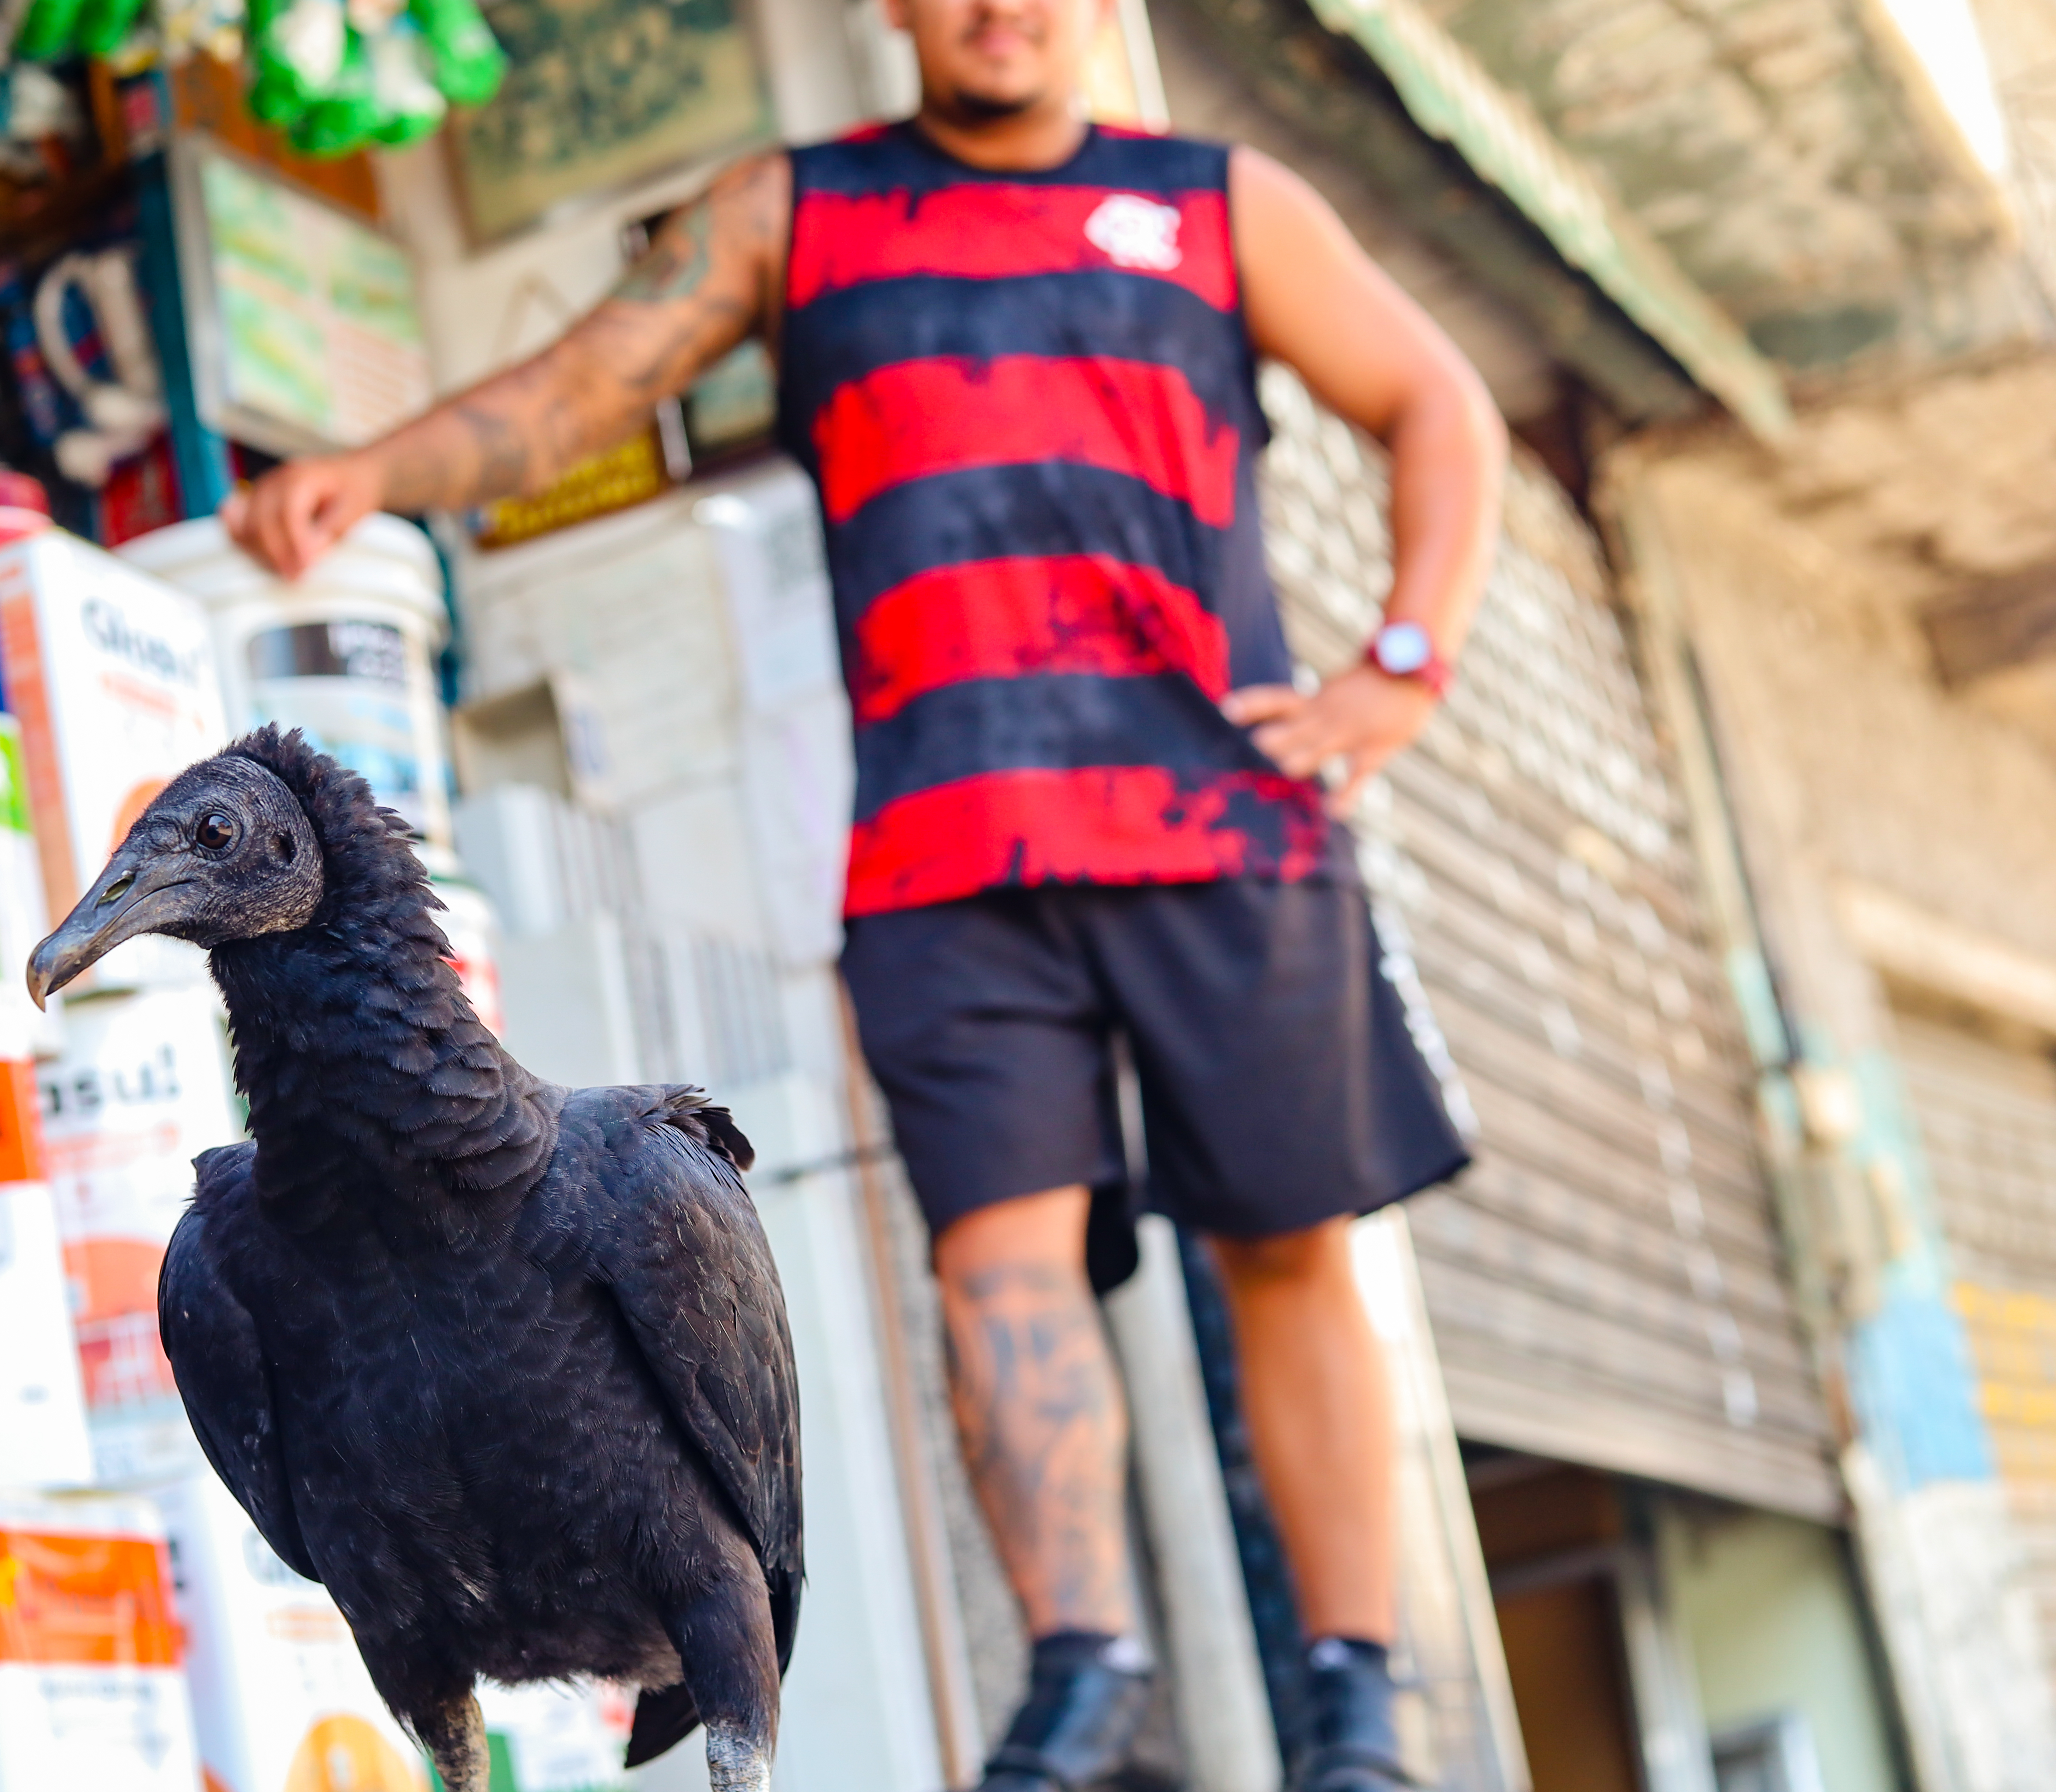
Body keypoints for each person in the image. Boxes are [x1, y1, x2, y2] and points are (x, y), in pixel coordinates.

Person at [226, 0, 1505, 1778]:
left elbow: (1435, 399)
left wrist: (1406, 662)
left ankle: (1360, 1699)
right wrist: (377, 472)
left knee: (1291, 1245)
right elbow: (577, 389)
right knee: (1001, 1266)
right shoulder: (795, 212)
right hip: (950, 854)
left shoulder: (1221, 204)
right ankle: (1081, 1673)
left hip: (1227, 815)